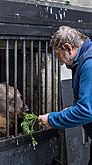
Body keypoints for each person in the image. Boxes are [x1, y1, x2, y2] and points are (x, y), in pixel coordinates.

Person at [38, 26, 92, 165]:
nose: (60, 61)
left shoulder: (89, 63)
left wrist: (52, 119)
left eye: (59, 56)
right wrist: (69, 111)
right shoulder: (84, 58)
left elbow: (86, 111)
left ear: (68, 48)